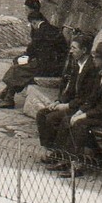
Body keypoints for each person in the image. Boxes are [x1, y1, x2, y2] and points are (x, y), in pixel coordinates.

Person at [57, 40, 102, 175]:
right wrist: (79, 111)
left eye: (97, 57)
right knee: (68, 119)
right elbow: (91, 98)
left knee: (80, 124)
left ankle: (77, 165)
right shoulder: (100, 74)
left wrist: (84, 115)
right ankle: (64, 158)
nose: (94, 59)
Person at [0, 5, 68, 108]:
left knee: (17, 69)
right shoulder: (52, 29)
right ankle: (3, 95)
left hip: (48, 67)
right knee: (20, 69)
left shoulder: (40, 32)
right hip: (57, 64)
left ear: (34, 22)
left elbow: (32, 50)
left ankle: (8, 99)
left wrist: (23, 57)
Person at [36, 31, 95, 162]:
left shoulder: (91, 68)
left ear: (84, 50)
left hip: (80, 107)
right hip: (72, 104)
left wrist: (67, 106)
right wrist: (58, 101)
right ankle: (49, 149)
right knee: (41, 114)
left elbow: (86, 96)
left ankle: (58, 153)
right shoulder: (77, 64)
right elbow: (70, 90)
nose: (70, 51)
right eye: (71, 47)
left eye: (74, 48)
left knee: (52, 118)